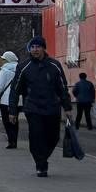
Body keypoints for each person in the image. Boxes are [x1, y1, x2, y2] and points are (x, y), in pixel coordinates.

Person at [7, 36, 70, 178]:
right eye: (32, 47)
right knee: (36, 136)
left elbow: (62, 87)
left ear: (43, 48)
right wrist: (12, 111)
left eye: (38, 47)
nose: (35, 50)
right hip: (32, 108)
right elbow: (15, 90)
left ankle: (43, 157)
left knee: (53, 137)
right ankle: (41, 164)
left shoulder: (54, 65)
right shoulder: (24, 67)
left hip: (52, 108)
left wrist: (67, 107)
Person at [0, 50, 21, 149]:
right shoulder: (21, 69)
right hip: (19, 100)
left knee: (7, 121)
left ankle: (11, 141)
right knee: (15, 120)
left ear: (7, 60)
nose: (2, 61)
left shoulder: (5, 70)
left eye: (3, 59)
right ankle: (15, 140)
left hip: (6, 101)